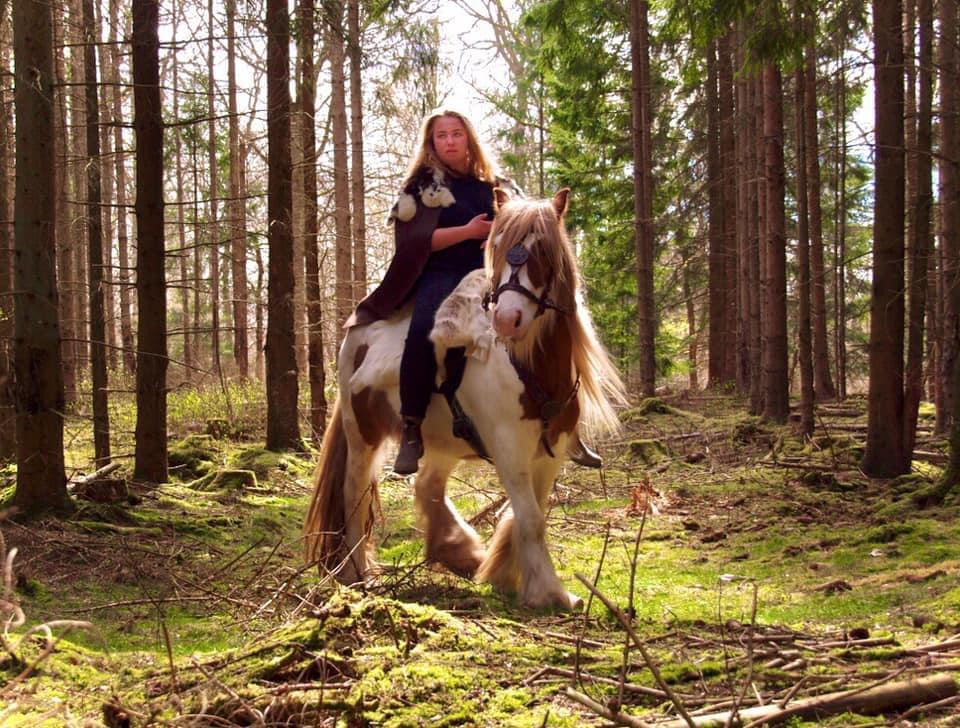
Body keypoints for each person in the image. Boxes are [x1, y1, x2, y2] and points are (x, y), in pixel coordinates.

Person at [345, 108, 601, 475]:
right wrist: (466, 232)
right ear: (431, 143)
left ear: (469, 137)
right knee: (422, 334)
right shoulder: (422, 187)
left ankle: (567, 427)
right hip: (441, 274)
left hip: (492, 275)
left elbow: (528, 225)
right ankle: (413, 428)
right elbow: (413, 241)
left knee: (557, 320)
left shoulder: (495, 185)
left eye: (456, 133)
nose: (449, 141)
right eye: (441, 136)